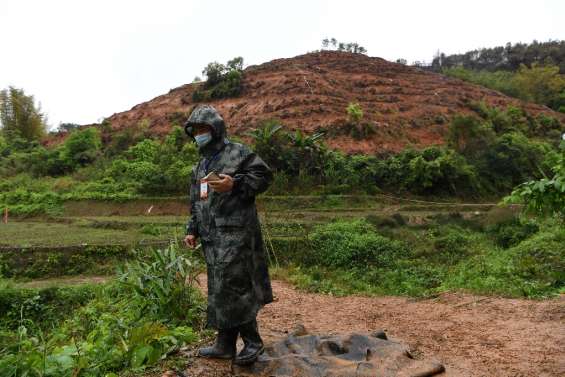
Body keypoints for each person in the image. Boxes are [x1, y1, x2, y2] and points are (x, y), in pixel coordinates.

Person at [183, 104, 274, 366]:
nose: (199, 133)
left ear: (216, 129)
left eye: (204, 129)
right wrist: (192, 230)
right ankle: (224, 345)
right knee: (219, 289)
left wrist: (236, 183)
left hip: (237, 233)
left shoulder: (238, 152)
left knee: (234, 286)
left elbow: (265, 176)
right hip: (212, 238)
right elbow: (196, 202)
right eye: (195, 130)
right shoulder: (200, 167)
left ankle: (253, 342)